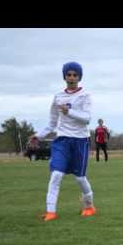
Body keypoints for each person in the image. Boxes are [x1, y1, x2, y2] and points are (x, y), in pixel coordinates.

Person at [30, 61, 96, 221]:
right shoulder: (58, 97)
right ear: (64, 77)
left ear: (79, 77)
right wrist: (38, 135)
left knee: (80, 177)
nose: (71, 78)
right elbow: (52, 123)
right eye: (68, 74)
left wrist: (69, 111)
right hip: (61, 140)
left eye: (75, 75)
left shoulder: (85, 95)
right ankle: (50, 211)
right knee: (56, 175)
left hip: (80, 141)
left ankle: (89, 206)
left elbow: (87, 119)